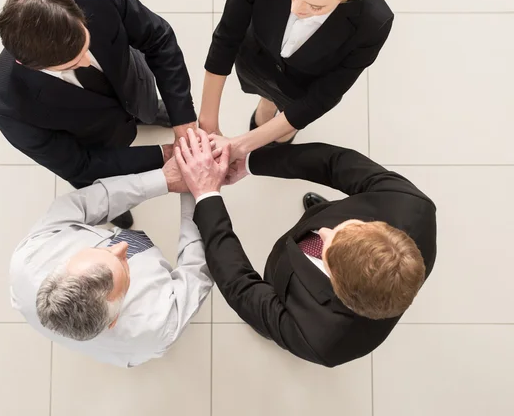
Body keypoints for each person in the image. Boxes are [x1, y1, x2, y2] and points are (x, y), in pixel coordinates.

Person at [175, 129, 436, 367]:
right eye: (348, 225)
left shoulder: (319, 338)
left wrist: (207, 195)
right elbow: (333, 162)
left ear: (338, 285)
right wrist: (251, 162)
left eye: (327, 248)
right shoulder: (413, 206)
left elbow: (240, 285)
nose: (323, 230)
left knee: (264, 313)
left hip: (285, 287)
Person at [0, 0, 197, 228]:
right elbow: (79, 164)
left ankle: (152, 112)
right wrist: (164, 155)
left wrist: (184, 121)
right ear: (26, 64)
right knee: (103, 187)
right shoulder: (8, 105)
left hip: (133, 85)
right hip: (96, 138)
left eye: (86, 45)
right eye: (72, 63)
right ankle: (113, 202)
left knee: (149, 107)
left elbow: (158, 39)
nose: (87, 61)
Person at [199, 0, 393, 158]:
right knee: (265, 92)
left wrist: (240, 146)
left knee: (281, 133)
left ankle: (274, 126)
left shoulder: (373, 23)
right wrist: (207, 122)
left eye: (315, 7)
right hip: (259, 54)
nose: (296, 9)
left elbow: (323, 96)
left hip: (305, 82)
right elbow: (228, 34)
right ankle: (267, 102)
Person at [10, 155, 213, 368]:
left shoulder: (31, 254)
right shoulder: (157, 326)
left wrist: (164, 179)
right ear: (114, 320)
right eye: (123, 267)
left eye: (99, 250)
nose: (121, 245)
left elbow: (82, 204)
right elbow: (195, 266)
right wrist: (198, 193)